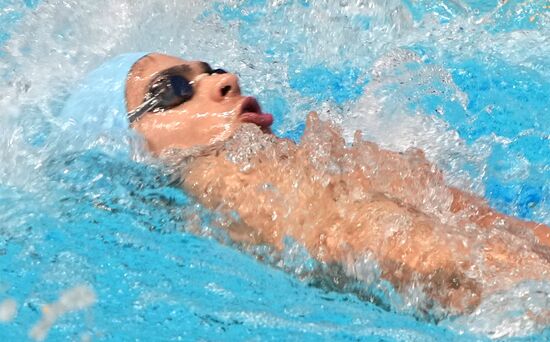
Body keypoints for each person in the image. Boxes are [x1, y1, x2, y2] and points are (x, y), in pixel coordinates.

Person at [62, 52, 550, 316]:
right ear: (131, 147)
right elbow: (479, 274)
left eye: (207, 70)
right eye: (173, 90)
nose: (225, 78)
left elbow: (515, 234)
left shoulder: (326, 160)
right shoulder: (222, 177)